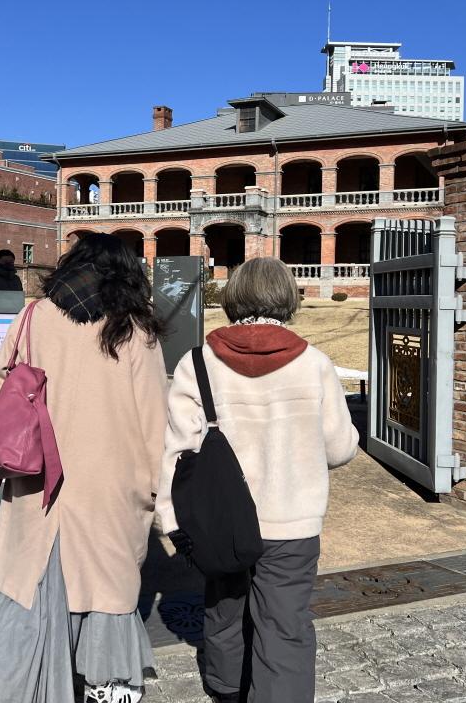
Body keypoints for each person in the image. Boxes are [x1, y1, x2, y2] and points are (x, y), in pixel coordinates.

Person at [0, 233, 168, 703]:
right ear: (127, 274)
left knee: (33, 579)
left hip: (36, 475)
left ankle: (24, 683)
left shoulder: (34, 316)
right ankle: (110, 685)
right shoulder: (136, 330)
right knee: (107, 587)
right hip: (111, 484)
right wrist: (157, 491)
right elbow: (153, 422)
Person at [156, 256, 358, 703]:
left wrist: (172, 522)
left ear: (233, 299)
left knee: (224, 609)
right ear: (287, 298)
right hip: (293, 520)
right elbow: (340, 448)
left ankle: (227, 690)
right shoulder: (315, 364)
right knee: (285, 623)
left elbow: (177, 453)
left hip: (220, 523)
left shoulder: (198, 364)